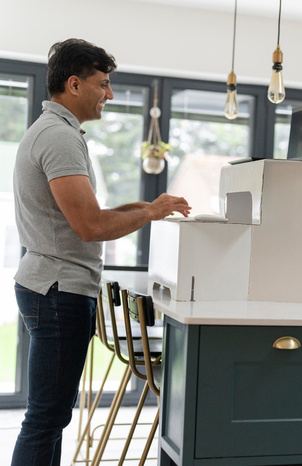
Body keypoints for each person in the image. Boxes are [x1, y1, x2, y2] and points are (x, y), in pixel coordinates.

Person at [11, 38, 191, 465]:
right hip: (59, 291)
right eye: (103, 84)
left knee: (50, 417)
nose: (109, 94)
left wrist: (151, 208)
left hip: (51, 285)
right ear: (74, 84)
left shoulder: (56, 132)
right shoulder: (59, 138)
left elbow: (88, 213)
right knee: (45, 418)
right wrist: (149, 214)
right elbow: (90, 226)